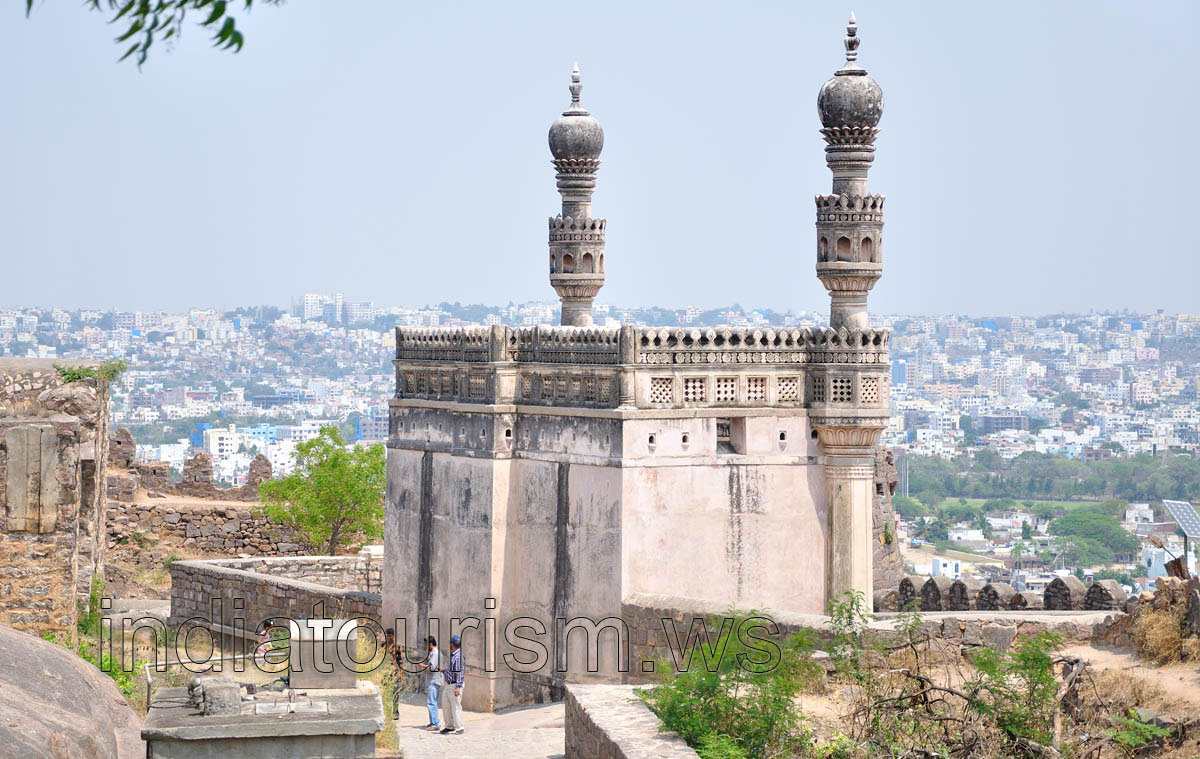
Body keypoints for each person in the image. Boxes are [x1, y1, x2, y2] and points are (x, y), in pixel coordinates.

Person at [440, 635, 465, 735]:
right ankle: (449, 726)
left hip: (454, 685)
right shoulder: (453, 655)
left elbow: (460, 673)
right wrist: (444, 670)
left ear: (451, 644)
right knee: (446, 706)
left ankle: (460, 727)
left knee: (455, 707)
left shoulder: (458, 656)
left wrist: (458, 687)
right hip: (448, 684)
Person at [417, 636, 442, 731]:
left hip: (434, 680)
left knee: (432, 702)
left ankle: (435, 724)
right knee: (432, 702)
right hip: (433, 680)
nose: (425, 646)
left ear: (430, 644)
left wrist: (422, 665)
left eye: (426, 644)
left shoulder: (435, 653)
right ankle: (433, 722)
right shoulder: (433, 653)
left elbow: (431, 667)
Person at [383, 628, 403, 720]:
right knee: (385, 693)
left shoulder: (397, 647)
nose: (389, 637)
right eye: (387, 636)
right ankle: (386, 712)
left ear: (393, 636)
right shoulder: (382, 646)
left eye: (390, 636)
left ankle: (395, 712)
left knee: (395, 693)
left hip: (394, 673)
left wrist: (401, 673)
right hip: (384, 673)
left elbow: (400, 660)